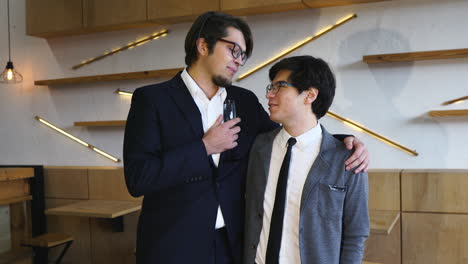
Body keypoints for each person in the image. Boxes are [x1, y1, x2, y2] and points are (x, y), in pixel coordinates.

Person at [123, 11, 369, 264]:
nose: (239, 61)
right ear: (203, 45)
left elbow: (289, 135)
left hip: (233, 247)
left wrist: (343, 142)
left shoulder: (244, 102)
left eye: (244, 55)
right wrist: (204, 147)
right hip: (173, 246)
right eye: (234, 50)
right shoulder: (152, 100)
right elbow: (138, 178)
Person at [244, 55, 370, 264]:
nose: (269, 95)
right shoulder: (258, 147)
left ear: (310, 95)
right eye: (270, 87)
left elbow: (355, 234)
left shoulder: (347, 159)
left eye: (279, 87)